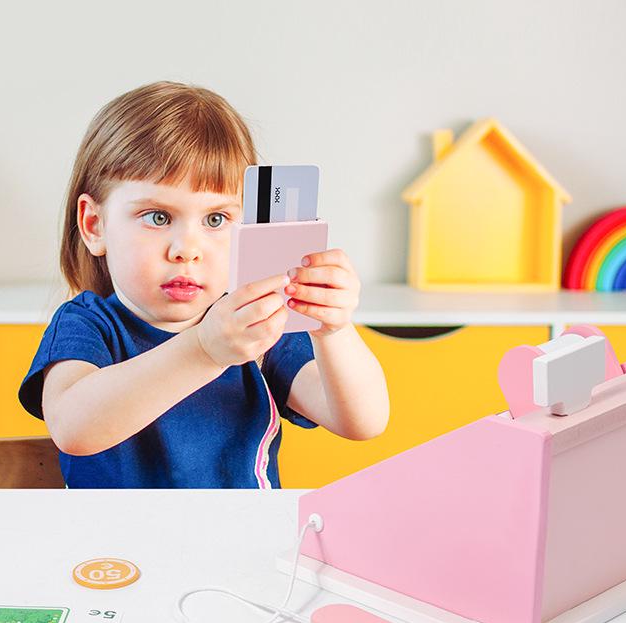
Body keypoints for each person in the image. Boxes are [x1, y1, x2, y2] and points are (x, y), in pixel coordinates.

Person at [19, 81, 389, 488]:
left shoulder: (258, 328)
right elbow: (74, 428)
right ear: (94, 225)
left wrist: (334, 330)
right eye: (158, 217)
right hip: (121, 551)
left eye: (216, 220)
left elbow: (363, 421)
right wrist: (204, 350)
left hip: (240, 547)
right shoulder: (86, 324)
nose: (187, 249)